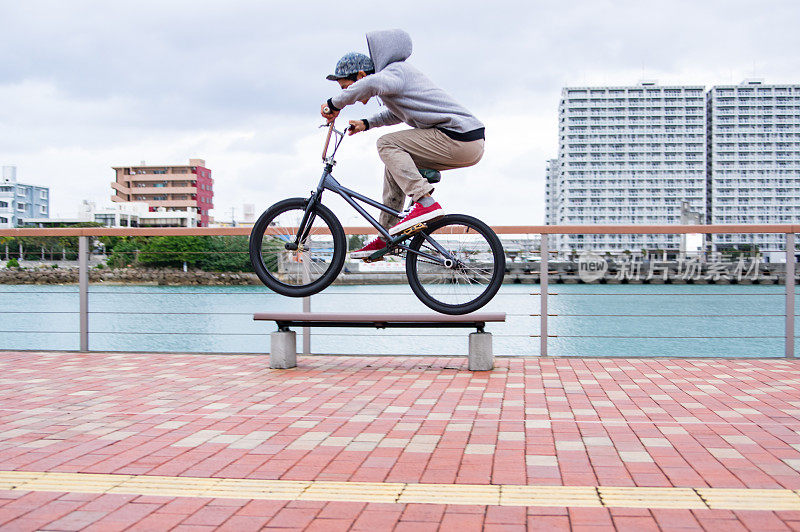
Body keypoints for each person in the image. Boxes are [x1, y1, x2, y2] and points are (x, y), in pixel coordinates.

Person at [321, 29, 485, 260]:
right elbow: (397, 115)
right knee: (395, 163)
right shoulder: (393, 83)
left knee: (386, 144)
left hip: (458, 136)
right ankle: (388, 235)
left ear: (361, 76)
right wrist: (366, 123)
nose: (351, 94)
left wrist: (334, 103)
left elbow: (373, 84)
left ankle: (425, 202)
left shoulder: (394, 71)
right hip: (464, 141)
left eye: (347, 87)